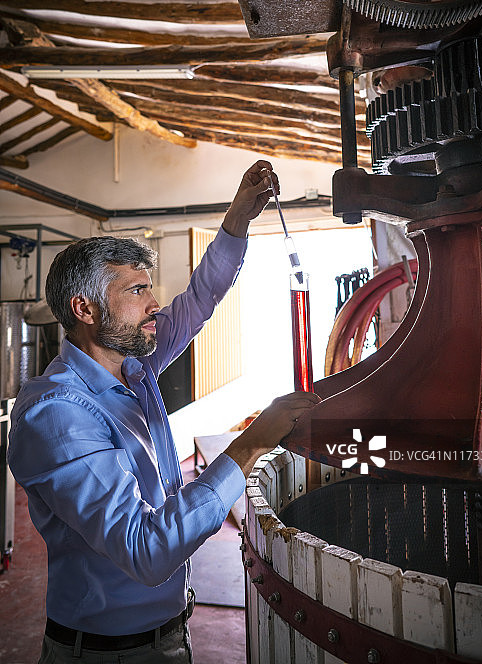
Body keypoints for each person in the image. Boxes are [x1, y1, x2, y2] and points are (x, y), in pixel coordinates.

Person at [8, 160, 320, 664]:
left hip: (168, 637)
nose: (154, 304)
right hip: (107, 655)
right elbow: (146, 550)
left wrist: (238, 218)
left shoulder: (135, 366)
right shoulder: (58, 414)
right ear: (85, 309)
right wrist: (253, 442)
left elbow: (200, 298)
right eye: (136, 291)